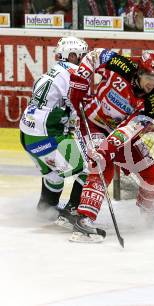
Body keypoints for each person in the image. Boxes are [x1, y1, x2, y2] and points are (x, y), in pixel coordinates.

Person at [68, 49, 154, 243]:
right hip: (93, 123)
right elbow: (93, 56)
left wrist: (108, 147)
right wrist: (81, 79)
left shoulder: (152, 103)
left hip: (122, 136)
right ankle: (84, 220)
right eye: (150, 76)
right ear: (140, 72)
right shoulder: (120, 64)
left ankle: (147, 217)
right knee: (102, 166)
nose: (153, 83)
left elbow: (129, 129)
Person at [19, 36, 89, 225]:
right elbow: (83, 109)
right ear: (73, 56)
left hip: (26, 136)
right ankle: (73, 210)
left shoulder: (48, 74)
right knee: (91, 167)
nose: (84, 61)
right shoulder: (76, 74)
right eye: (82, 56)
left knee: (54, 174)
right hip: (46, 137)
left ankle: (46, 208)